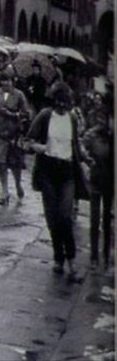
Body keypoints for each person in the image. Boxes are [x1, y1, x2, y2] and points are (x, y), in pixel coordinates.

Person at [25, 81, 88, 281]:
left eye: (65, 102)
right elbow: (27, 141)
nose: (61, 106)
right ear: (53, 101)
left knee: (65, 216)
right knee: (53, 218)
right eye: (58, 102)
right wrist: (37, 147)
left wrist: (87, 158)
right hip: (48, 171)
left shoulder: (72, 118)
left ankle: (71, 260)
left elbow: (76, 144)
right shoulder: (44, 116)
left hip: (67, 172)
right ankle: (58, 258)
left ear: (69, 103)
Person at [81, 94, 114, 270]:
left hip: (110, 181)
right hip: (96, 179)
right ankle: (94, 255)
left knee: (107, 219)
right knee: (94, 219)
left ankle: (106, 255)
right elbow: (81, 146)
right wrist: (88, 161)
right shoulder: (92, 135)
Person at [0, 69, 31, 205]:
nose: (5, 83)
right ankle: (4, 191)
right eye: (3, 80)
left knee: (15, 164)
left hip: (14, 134)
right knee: (1, 163)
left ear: (13, 81)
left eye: (8, 80)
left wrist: (11, 114)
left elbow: (26, 113)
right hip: (0, 132)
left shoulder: (19, 94)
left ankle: (18, 184)